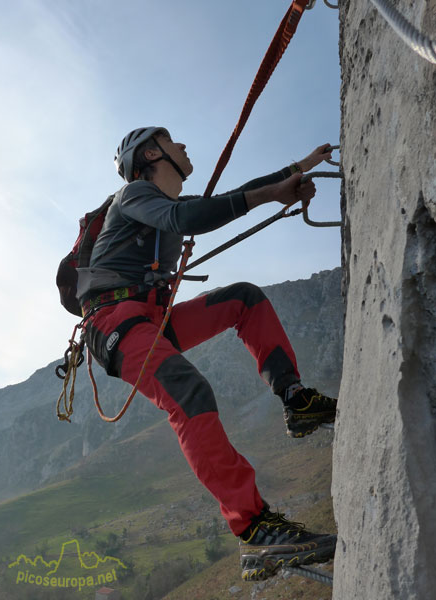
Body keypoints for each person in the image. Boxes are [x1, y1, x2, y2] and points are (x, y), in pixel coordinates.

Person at [78, 127, 337, 565]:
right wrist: (274, 192)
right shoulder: (133, 195)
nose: (183, 147)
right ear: (151, 153)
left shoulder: (159, 204)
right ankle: (253, 528)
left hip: (149, 319)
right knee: (189, 391)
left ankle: (296, 400)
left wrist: (300, 168)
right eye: (173, 142)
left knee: (244, 298)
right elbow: (187, 219)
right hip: (115, 323)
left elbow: (231, 196)